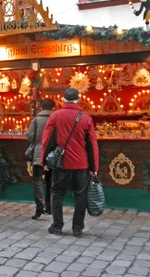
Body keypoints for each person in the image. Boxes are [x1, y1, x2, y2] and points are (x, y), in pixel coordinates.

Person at [41, 88, 99, 238]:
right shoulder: (86, 119)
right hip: (81, 164)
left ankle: (57, 225)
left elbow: (47, 139)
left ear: (63, 100)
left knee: (57, 194)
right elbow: (92, 145)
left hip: (62, 164)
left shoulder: (55, 116)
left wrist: (44, 160)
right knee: (80, 196)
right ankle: (78, 228)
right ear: (78, 101)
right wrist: (94, 167)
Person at [26, 98, 55, 220]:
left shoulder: (36, 120)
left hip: (39, 152)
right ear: (53, 108)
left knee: (37, 180)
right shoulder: (55, 119)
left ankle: (39, 207)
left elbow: (30, 137)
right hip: (53, 153)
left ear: (41, 108)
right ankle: (50, 207)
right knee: (50, 181)